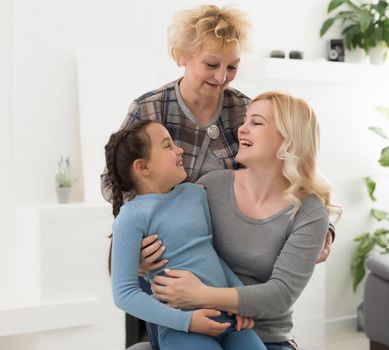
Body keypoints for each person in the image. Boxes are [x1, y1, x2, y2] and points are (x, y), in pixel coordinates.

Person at [100, 4, 334, 348]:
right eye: (211, 64)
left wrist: (321, 229)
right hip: (168, 277)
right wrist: (135, 246)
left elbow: (292, 172)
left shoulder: (245, 110)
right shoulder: (149, 110)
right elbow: (115, 182)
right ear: (182, 55)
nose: (221, 77)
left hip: (224, 281)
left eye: (232, 67)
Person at [147, 92, 342, 350]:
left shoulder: (310, 212)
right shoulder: (210, 187)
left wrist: (201, 294)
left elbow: (280, 295)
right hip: (196, 328)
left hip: (267, 339)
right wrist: (144, 261)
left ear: (288, 139)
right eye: (245, 121)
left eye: (256, 123)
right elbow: (173, 243)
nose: (242, 129)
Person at [105, 119, 267, 350]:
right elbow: (124, 293)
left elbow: (210, 254)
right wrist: (187, 321)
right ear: (143, 167)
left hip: (229, 321)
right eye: (167, 145)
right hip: (181, 329)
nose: (179, 149)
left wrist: (239, 299)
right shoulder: (131, 217)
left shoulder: (195, 195)